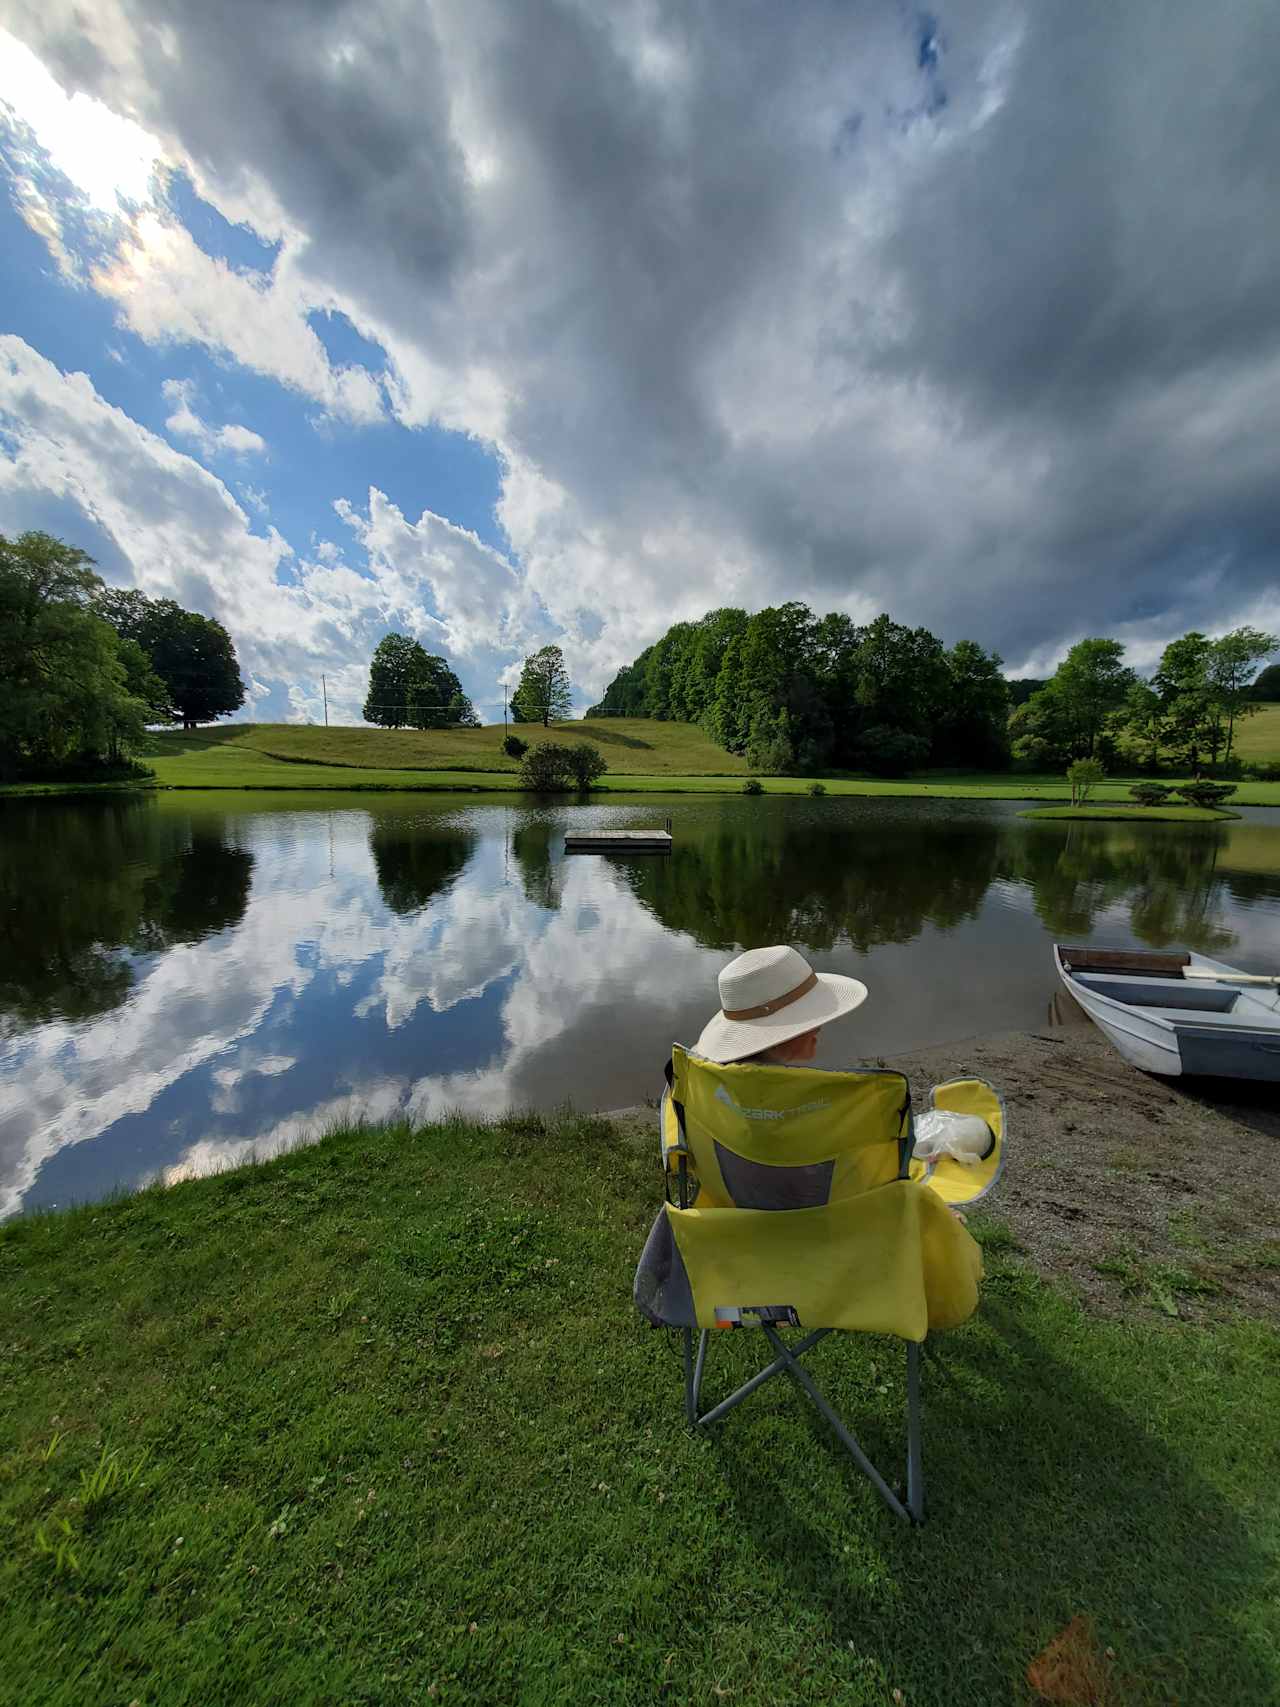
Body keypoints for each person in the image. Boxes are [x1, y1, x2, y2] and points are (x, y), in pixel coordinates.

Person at [691, 943, 866, 1067]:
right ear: (777, 1040)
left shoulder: (699, 1081)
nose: (819, 1027)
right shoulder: (809, 1099)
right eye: (812, 1022)